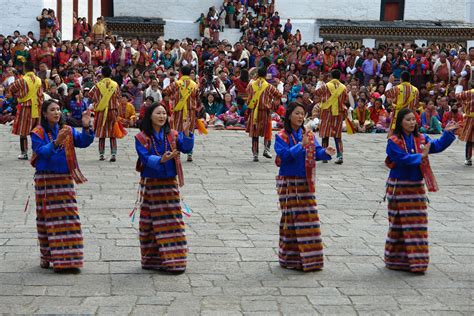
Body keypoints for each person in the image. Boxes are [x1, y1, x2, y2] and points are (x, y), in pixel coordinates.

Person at [384, 108, 458, 273]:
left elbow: (437, 146)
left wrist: (447, 134)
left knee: (418, 225)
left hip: (416, 188)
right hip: (399, 187)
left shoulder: (422, 138)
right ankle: (395, 260)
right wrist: (421, 157)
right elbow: (400, 158)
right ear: (400, 122)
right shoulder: (393, 141)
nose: (411, 123)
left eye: (413, 119)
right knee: (398, 224)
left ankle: (417, 262)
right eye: (408, 120)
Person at [30, 99, 94, 272]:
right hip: (46, 181)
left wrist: (87, 127)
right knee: (47, 218)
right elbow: (41, 152)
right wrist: (57, 142)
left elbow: (84, 141)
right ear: (44, 114)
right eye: (52, 110)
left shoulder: (68, 130)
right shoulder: (37, 132)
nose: (57, 113)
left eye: (59, 109)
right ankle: (48, 256)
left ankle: (71, 260)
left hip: (65, 180)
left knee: (69, 218)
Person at [274, 102, 336, 271]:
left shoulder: (308, 134)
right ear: (289, 115)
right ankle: (290, 259)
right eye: (297, 113)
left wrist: (326, 152)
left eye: (302, 114)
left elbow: (316, 151)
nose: (301, 117)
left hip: (305, 182)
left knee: (309, 219)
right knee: (291, 220)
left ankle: (311, 260)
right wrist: (300, 145)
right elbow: (283, 156)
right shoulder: (281, 136)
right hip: (289, 183)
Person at [135, 103, 194, 273]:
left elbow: (187, 147)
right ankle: (152, 259)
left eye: (164, 113)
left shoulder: (173, 135)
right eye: (158, 113)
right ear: (150, 116)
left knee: (173, 220)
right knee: (150, 222)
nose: (162, 116)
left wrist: (188, 132)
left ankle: (175, 260)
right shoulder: (141, 137)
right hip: (152, 184)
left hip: (170, 183)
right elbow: (144, 158)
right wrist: (160, 160)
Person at [163, 65, 199, 162]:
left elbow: (165, 91)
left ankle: (176, 152)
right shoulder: (194, 85)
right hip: (190, 112)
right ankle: (189, 153)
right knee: (189, 131)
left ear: (181, 73)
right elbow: (198, 98)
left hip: (178, 111)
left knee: (176, 131)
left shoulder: (176, 84)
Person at [246, 67, 282, 161]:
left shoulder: (251, 85)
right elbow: (279, 95)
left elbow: (247, 94)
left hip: (254, 112)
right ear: (266, 75)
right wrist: (273, 105)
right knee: (267, 131)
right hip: (265, 112)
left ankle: (255, 154)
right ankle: (266, 149)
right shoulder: (269, 86)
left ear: (257, 75)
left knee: (255, 134)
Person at [9, 62, 44, 159]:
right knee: (37, 131)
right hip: (37, 108)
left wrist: (18, 96)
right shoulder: (39, 80)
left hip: (25, 108)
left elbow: (11, 88)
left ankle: (24, 153)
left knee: (23, 131)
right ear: (33, 70)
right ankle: (36, 152)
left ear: (25, 70)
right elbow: (41, 95)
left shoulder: (21, 81)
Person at [314, 69, 348, 164]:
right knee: (337, 136)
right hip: (338, 114)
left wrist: (320, 81)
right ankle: (340, 156)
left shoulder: (326, 86)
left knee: (325, 134)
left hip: (327, 113)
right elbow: (346, 99)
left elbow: (316, 93)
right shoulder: (344, 87)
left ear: (331, 76)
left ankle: (325, 155)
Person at [89, 66, 120, 161]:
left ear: (102, 74)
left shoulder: (98, 85)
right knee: (112, 134)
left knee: (102, 134)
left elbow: (90, 94)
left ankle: (101, 155)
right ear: (110, 74)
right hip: (113, 111)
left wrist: (99, 101)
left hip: (102, 112)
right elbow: (118, 96)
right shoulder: (115, 85)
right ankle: (113, 154)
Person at [385, 71, 419, 136]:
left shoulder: (397, 88)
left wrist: (390, 82)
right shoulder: (416, 90)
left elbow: (386, 93)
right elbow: (415, 106)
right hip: (409, 117)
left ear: (401, 79)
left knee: (393, 135)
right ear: (410, 79)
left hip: (397, 116)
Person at [455, 90, 474, 166]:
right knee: (470, 139)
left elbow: (457, 96)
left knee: (469, 140)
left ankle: (468, 158)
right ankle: (468, 158)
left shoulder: (468, 93)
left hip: (470, 119)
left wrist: (464, 103)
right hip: (470, 118)